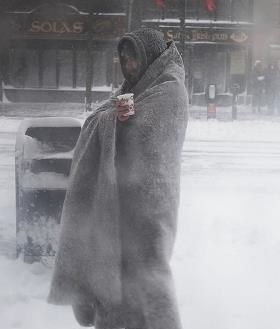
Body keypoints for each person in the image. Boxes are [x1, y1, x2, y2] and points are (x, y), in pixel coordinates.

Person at [48, 28, 188, 329]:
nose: (130, 66)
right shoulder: (138, 86)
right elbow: (98, 118)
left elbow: (148, 134)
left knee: (149, 277)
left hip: (151, 205)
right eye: (124, 61)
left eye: (134, 59)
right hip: (123, 199)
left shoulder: (170, 88)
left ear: (149, 56)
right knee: (114, 271)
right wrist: (114, 116)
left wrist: (123, 120)